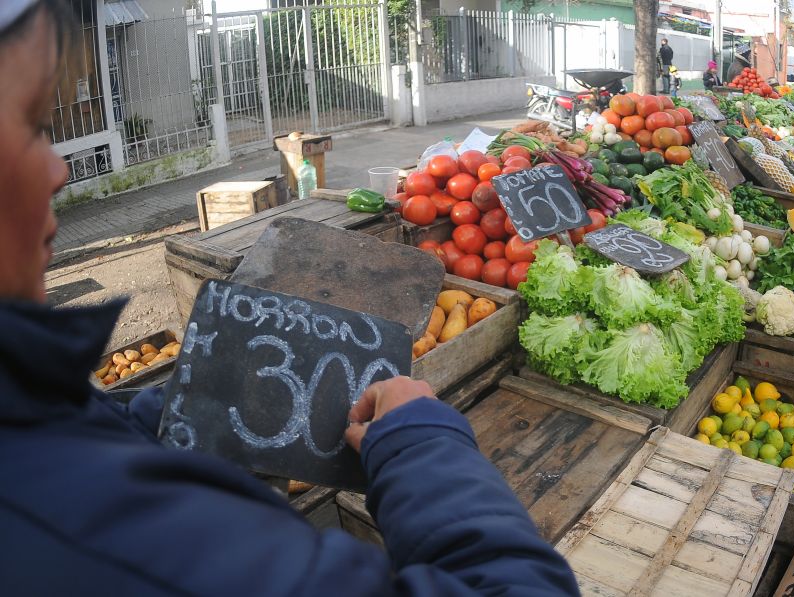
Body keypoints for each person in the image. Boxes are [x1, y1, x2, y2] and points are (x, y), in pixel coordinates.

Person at [0, 1, 580, 595]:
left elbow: (98, 432)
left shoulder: (36, 424)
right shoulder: (106, 536)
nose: (58, 171)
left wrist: (206, 392)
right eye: (30, 125)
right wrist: (420, 441)